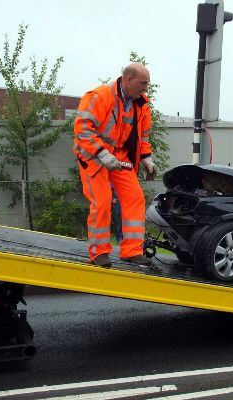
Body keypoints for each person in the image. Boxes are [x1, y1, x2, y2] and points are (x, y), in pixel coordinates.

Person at [73, 63, 157, 269]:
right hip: (93, 156)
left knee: (135, 199)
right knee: (101, 201)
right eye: (143, 83)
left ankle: (132, 251)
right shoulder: (99, 96)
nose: (145, 88)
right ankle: (99, 252)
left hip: (119, 157)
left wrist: (147, 159)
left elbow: (142, 136)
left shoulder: (141, 104)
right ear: (128, 79)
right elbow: (83, 131)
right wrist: (102, 154)